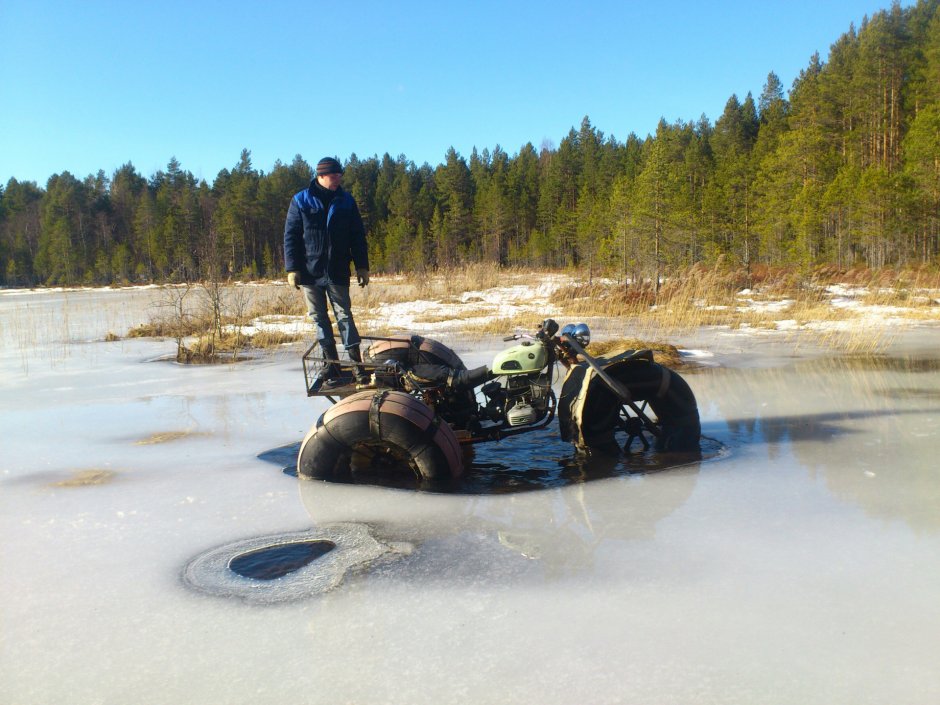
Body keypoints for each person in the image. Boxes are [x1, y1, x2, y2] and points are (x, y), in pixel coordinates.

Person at [284, 156, 370, 388]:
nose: (338, 178)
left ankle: (356, 366)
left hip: (338, 270)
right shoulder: (301, 200)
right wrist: (292, 268)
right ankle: (330, 365)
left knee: (345, 316)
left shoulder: (346, 200)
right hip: (310, 272)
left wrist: (362, 266)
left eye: (340, 175)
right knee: (319, 319)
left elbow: (358, 236)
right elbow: (291, 236)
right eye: (334, 175)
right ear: (321, 176)